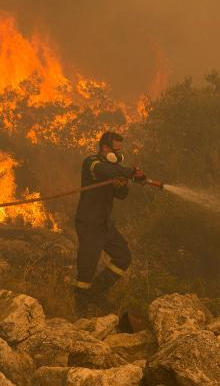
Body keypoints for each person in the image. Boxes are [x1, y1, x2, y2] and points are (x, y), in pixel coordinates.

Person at [74, 130, 145, 315]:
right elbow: (106, 171)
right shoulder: (92, 163)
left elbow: (121, 195)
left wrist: (122, 185)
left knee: (123, 257)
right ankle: (79, 304)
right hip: (89, 222)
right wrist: (131, 172)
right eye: (116, 151)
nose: (119, 155)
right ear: (105, 148)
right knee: (88, 264)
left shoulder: (114, 170)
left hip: (105, 223)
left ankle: (96, 293)